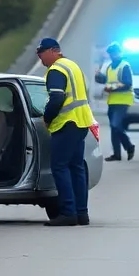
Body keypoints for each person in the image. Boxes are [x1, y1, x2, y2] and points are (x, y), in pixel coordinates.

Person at [37, 38, 96, 226]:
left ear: (54, 51)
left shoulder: (56, 70)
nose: (40, 59)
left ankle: (68, 213)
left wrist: (47, 118)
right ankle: (81, 213)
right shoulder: (72, 66)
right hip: (81, 122)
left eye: (41, 54)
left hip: (66, 123)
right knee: (76, 168)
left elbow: (56, 98)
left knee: (60, 167)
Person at [93, 41, 135, 161]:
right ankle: (117, 154)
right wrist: (99, 77)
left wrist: (110, 87)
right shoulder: (110, 67)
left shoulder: (124, 66)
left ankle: (129, 146)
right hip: (112, 101)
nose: (113, 55)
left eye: (115, 53)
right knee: (114, 127)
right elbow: (107, 81)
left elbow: (127, 83)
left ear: (119, 53)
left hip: (123, 100)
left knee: (115, 125)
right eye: (111, 53)